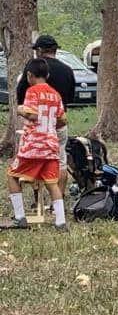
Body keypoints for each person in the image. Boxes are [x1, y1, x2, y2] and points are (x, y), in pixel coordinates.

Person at [6, 59, 68, 230]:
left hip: (33, 147)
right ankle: (61, 221)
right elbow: (63, 120)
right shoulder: (55, 94)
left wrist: (20, 109)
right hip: (51, 146)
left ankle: (20, 217)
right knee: (52, 183)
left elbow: (32, 115)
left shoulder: (32, 91)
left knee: (12, 175)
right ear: (47, 75)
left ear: (29, 76)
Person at [17, 35, 75, 196]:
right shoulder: (68, 70)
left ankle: (38, 200)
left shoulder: (33, 69)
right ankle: (58, 199)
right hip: (59, 123)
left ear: (40, 50)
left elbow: (21, 94)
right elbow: (70, 98)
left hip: (37, 127)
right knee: (61, 161)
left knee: (35, 161)